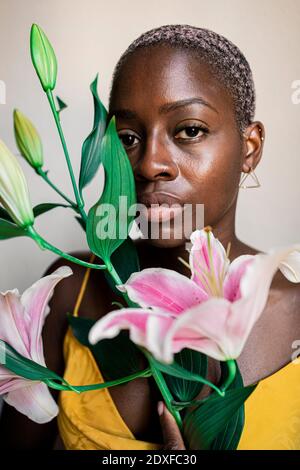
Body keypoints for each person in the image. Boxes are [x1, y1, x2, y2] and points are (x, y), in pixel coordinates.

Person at [1, 24, 300, 450]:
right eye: (127, 137)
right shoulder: (70, 290)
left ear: (250, 148)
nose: (149, 164)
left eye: (190, 130)